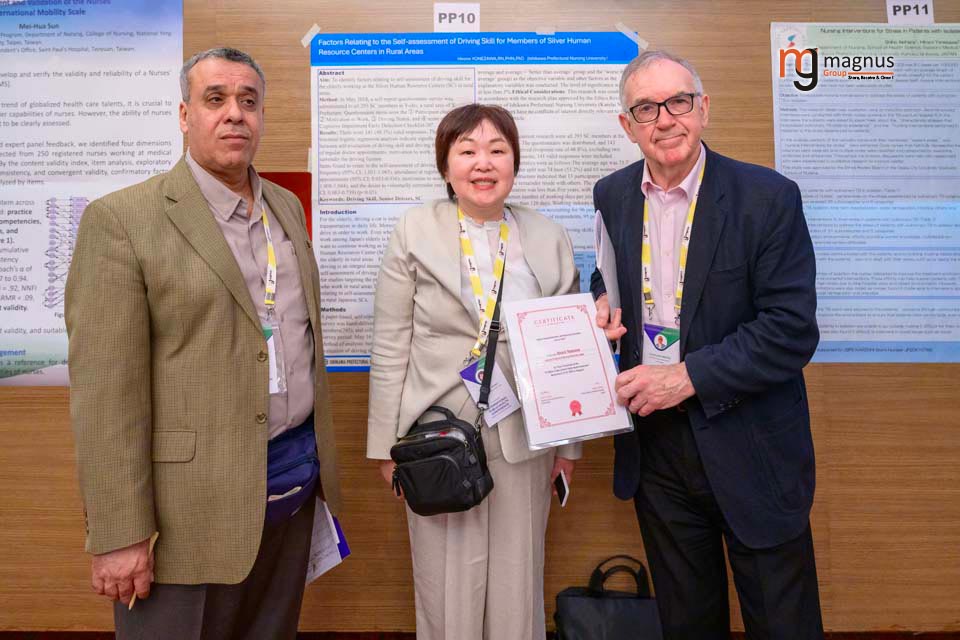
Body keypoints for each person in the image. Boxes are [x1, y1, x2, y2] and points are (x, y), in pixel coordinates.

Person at [65, 47, 341, 639]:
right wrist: (119, 533)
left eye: (248, 101)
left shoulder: (285, 208)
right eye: (215, 99)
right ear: (185, 115)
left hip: (291, 490)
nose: (234, 113)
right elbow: (105, 395)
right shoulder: (123, 220)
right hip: (185, 514)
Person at [591, 50, 824, 639]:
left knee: (783, 623)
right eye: (647, 108)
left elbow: (791, 328)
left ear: (704, 109)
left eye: (679, 101)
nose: (665, 119)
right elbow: (608, 270)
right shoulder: (612, 195)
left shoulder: (766, 197)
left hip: (752, 443)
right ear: (627, 125)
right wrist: (601, 298)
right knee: (687, 622)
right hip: (657, 451)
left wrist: (686, 377)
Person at [366, 104, 580, 640]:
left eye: (497, 150)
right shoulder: (414, 231)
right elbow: (390, 343)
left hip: (526, 433)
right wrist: (384, 446)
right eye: (467, 151)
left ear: (514, 163)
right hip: (436, 435)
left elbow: (567, 351)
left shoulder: (548, 236)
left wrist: (569, 448)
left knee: (517, 585)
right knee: (447, 590)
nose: (483, 163)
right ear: (446, 166)